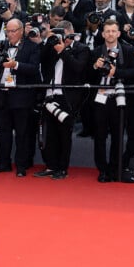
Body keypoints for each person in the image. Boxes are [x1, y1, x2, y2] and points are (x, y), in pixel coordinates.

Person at [35, 20, 89, 180]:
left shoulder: (82, 49)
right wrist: (48, 41)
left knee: (64, 134)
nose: (61, 38)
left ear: (71, 34)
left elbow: (78, 68)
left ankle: (62, 168)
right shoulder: (52, 46)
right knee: (48, 133)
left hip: (67, 98)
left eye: (64, 35)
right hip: (49, 95)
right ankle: (51, 166)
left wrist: (63, 51)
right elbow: (40, 59)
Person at [0, 18, 41, 177]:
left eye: (12, 31)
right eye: (7, 31)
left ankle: (21, 165)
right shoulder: (2, 45)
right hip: (3, 94)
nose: (9, 34)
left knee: (22, 132)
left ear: (21, 31)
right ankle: (3, 162)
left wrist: (16, 65)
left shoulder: (32, 47)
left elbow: (34, 69)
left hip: (21, 95)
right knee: (4, 131)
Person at [90, 19, 134, 182]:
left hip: (120, 98)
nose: (110, 34)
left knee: (118, 136)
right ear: (103, 34)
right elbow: (86, 75)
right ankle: (102, 169)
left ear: (118, 33)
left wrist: (116, 72)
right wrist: (95, 67)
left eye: (113, 31)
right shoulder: (97, 51)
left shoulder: (128, 50)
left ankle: (114, 168)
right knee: (100, 136)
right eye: (107, 31)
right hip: (100, 98)